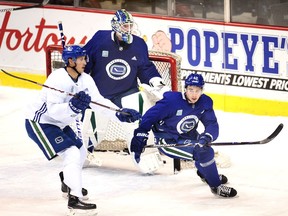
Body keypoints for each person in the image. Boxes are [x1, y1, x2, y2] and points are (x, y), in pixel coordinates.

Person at [24, 45, 141, 215]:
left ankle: (68, 182)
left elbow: (98, 102)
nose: (85, 62)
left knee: (80, 151)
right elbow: (54, 112)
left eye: (85, 58)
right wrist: (72, 106)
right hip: (40, 122)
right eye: (81, 59)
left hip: (60, 123)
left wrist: (119, 113)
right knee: (71, 152)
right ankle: (75, 200)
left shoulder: (85, 79)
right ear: (70, 61)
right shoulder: (57, 79)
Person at [82, 9, 170, 173]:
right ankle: (83, 153)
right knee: (94, 130)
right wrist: (74, 78)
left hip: (127, 92)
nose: (128, 30)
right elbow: (84, 63)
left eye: (130, 26)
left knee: (139, 124)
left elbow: (144, 68)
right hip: (101, 95)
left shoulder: (138, 44)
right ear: (115, 26)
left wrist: (154, 80)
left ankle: (144, 155)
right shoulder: (100, 39)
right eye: (124, 26)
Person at [130, 73, 237, 198]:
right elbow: (150, 116)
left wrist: (206, 137)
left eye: (197, 90)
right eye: (191, 90)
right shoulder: (172, 101)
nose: (194, 94)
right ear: (185, 89)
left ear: (202, 90)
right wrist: (140, 134)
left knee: (202, 148)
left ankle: (206, 174)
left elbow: (212, 124)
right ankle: (216, 186)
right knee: (205, 153)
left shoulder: (205, 102)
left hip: (190, 136)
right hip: (168, 140)